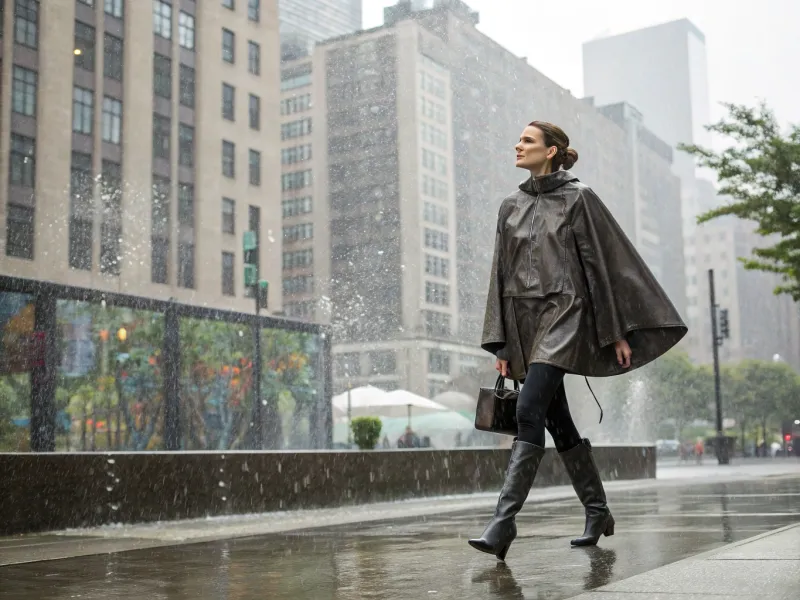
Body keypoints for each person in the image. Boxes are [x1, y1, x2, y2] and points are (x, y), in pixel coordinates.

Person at [469, 121, 687, 561]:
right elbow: (500, 272)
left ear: (551, 151)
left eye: (527, 140)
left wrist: (615, 331)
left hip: (565, 313)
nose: (517, 145)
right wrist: (501, 343)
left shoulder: (579, 197)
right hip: (522, 321)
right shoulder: (509, 205)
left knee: (528, 410)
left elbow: (599, 267)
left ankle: (503, 523)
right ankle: (598, 511)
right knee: (558, 421)